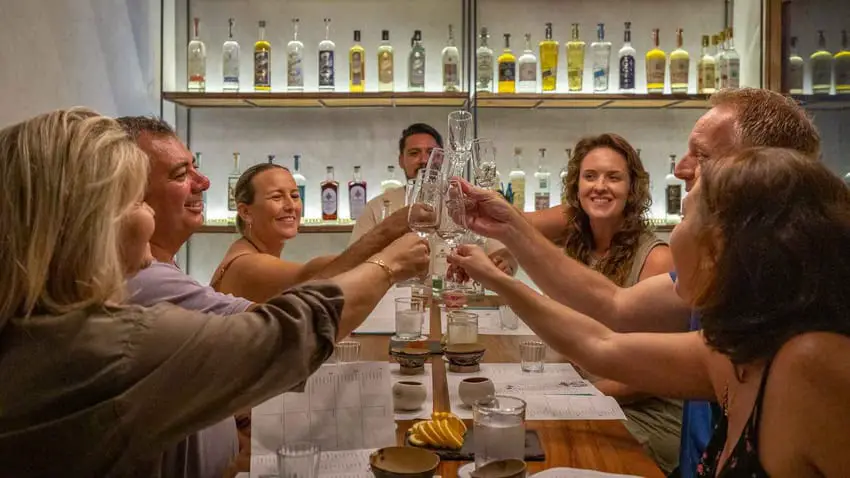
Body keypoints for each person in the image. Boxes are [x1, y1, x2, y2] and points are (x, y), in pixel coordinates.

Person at [0, 108, 430, 477]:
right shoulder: (115, 340)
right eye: (134, 200)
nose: (147, 217)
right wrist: (389, 261)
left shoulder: (38, 325)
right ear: (87, 219)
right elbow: (286, 333)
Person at [450, 88, 822, 478]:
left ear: (760, 172)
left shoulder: (811, 358)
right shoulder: (733, 315)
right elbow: (611, 312)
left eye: (702, 155)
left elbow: (605, 337)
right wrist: (507, 232)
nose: (680, 168)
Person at [113, 115, 412, 477]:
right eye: (181, 174)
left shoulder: (164, 269)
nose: (203, 182)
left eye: (294, 195)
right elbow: (303, 306)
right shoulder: (182, 275)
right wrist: (388, 247)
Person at [556, 133, 679, 473]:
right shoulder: (577, 248)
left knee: (564, 451)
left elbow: (655, 375)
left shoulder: (656, 259)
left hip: (647, 414)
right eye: (590, 176)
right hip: (592, 399)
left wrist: (580, 398)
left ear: (632, 189)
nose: (600, 186)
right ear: (575, 186)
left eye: (614, 177)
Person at [211, 162, 408, 302]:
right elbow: (312, 275)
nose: (290, 205)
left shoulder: (252, 250)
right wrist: (387, 232)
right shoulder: (245, 263)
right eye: (276, 197)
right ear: (245, 212)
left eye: (295, 196)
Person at [350, 122, 517, 275]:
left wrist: (504, 262)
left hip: (454, 303)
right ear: (401, 160)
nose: (424, 160)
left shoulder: (463, 202)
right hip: (394, 302)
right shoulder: (377, 206)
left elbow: (502, 252)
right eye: (414, 153)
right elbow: (352, 261)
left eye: (431, 153)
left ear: (442, 158)